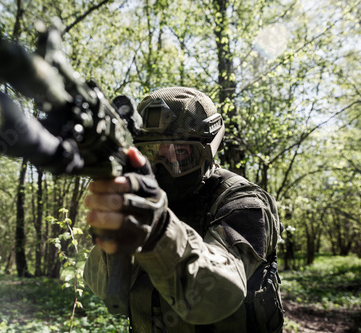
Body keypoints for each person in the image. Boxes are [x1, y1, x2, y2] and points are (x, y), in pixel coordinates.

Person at [83, 87, 284, 332]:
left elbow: (216, 293)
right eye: (151, 155)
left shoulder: (244, 203)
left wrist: (157, 230)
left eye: (178, 154)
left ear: (207, 151)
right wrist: (117, 235)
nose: (162, 168)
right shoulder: (146, 202)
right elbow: (101, 285)